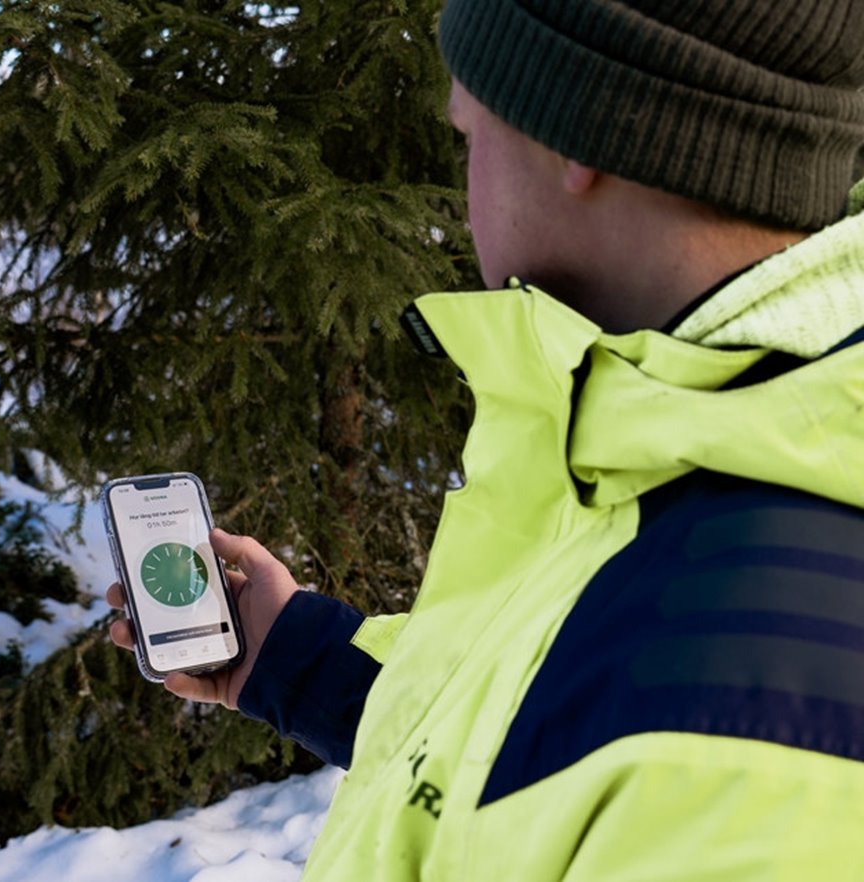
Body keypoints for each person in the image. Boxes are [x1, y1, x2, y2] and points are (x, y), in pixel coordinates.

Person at [109, 0, 864, 877]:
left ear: (578, 128)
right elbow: (555, 728)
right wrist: (301, 660)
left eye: (469, 133)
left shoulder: (735, 736)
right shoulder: (692, 447)